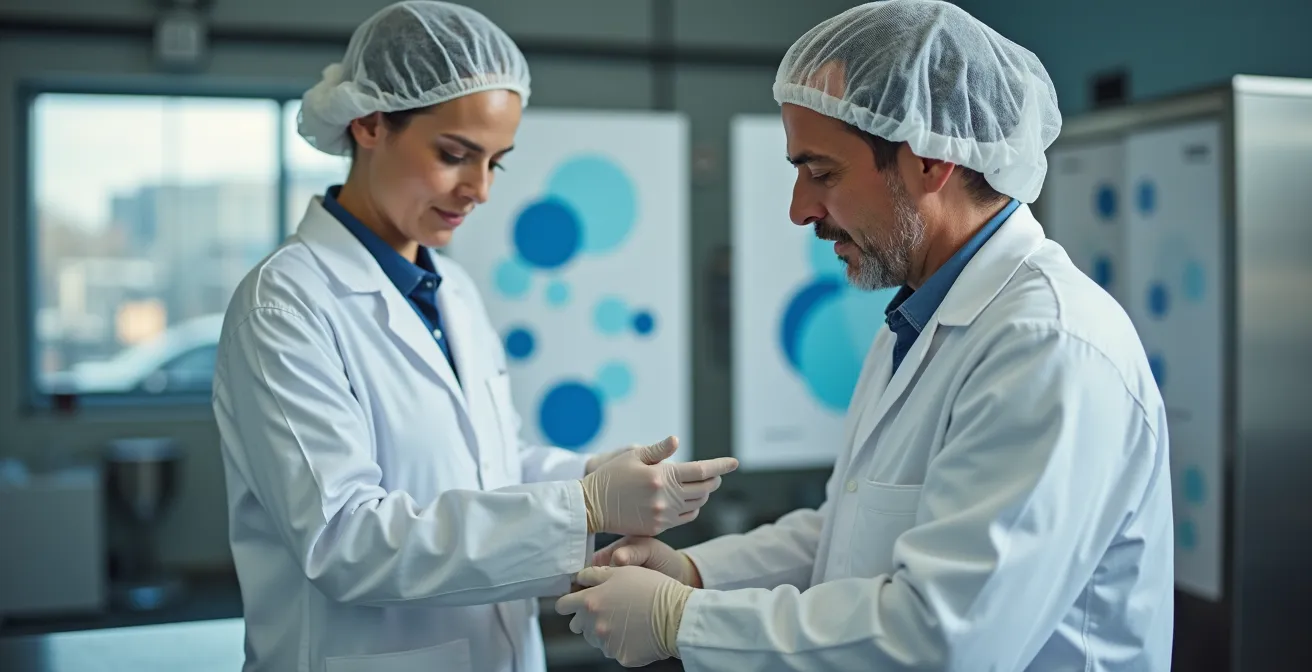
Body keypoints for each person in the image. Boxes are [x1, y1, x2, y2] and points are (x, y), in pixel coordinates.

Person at [556, 1, 1174, 669]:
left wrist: (685, 620)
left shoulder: (1049, 348)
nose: (800, 210)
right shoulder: (918, 318)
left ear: (932, 160)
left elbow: (943, 640)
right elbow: (846, 533)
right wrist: (693, 574)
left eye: (823, 173)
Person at [212, 3, 738, 671]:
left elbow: (488, 464)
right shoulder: (286, 303)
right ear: (369, 123)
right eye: (455, 155)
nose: (480, 189)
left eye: (497, 162)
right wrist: (579, 507)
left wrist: (591, 475)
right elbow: (343, 541)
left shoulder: (450, 289)